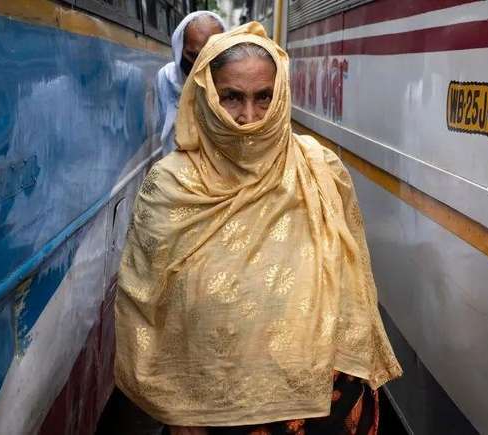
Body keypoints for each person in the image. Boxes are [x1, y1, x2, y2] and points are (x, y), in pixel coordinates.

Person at [115, 22, 402, 435]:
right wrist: (175, 409)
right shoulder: (172, 185)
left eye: (264, 97)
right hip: (212, 415)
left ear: (281, 95)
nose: (248, 118)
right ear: (207, 95)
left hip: (322, 407)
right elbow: (142, 307)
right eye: (232, 97)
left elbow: (353, 283)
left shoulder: (320, 170)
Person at [156, 11, 226, 154]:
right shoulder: (166, 78)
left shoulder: (229, 82)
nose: (198, 67)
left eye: (208, 56)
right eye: (192, 55)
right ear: (179, 49)